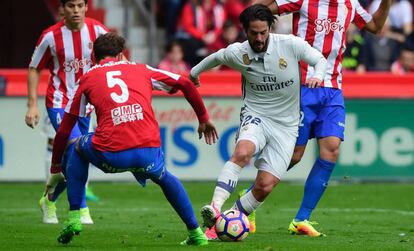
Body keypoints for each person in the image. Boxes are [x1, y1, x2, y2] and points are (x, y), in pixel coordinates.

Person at [51, 32, 218, 246]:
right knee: (164, 176)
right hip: (147, 152)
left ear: (94, 58)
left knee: (76, 146)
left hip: (110, 156)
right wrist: (203, 118)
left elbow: (65, 129)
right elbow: (186, 84)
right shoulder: (142, 69)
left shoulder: (88, 78)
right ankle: (196, 232)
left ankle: (75, 216)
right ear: (121, 55)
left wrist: (56, 167)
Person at [251, 0, 392, 236]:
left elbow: (376, 26)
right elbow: (258, 11)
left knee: (331, 149)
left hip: (333, 89)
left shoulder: (350, 4)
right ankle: (249, 199)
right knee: (294, 155)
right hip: (302, 86)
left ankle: (301, 219)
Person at [190, 4, 327, 240]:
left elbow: (319, 59)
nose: (259, 37)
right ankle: (214, 208)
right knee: (243, 152)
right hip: (256, 115)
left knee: (264, 186)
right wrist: (193, 74)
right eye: (254, 33)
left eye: (263, 32)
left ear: (270, 28)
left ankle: (229, 219)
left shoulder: (290, 45)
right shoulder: (238, 52)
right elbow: (214, 58)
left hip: (286, 125)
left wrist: (317, 75)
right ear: (245, 31)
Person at [24, 0, 108, 224]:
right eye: (71, 6)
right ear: (63, 8)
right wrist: (32, 104)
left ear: (86, 7)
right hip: (60, 102)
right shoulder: (50, 36)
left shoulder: (98, 30)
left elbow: (117, 58)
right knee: (73, 150)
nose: (76, 10)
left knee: (80, 155)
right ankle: (79, 206)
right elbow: (34, 68)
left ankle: (49, 199)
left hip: (86, 104)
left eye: (80, 5)